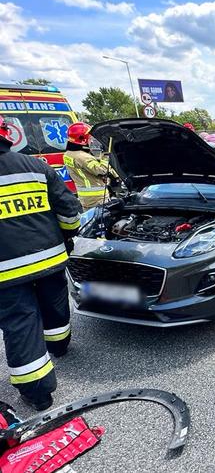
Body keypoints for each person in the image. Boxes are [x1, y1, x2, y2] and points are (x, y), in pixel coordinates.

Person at [0, 115, 82, 410]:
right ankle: (59, 346)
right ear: (6, 134)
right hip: (49, 258)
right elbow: (69, 210)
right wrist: (68, 235)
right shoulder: (36, 166)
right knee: (54, 304)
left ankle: (38, 393)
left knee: (20, 323)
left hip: (5, 273)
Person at [63, 122, 115, 211]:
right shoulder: (82, 157)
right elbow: (103, 170)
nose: (91, 140)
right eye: (89, 137)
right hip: (97, 198)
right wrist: (106, 155)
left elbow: (85, 169)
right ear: (82, 138)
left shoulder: (68, 154)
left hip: (85, 198)